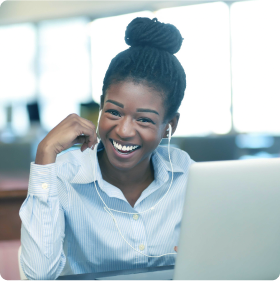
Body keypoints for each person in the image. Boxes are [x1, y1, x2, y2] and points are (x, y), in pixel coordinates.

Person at [19, 17, 194, 280]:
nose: (123, 130)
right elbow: (38, 276)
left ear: (170, 125)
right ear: (100, 107)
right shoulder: (64, 175)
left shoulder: (188, 175)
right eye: (113, 112)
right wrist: (45, 153)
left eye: (144, 119)